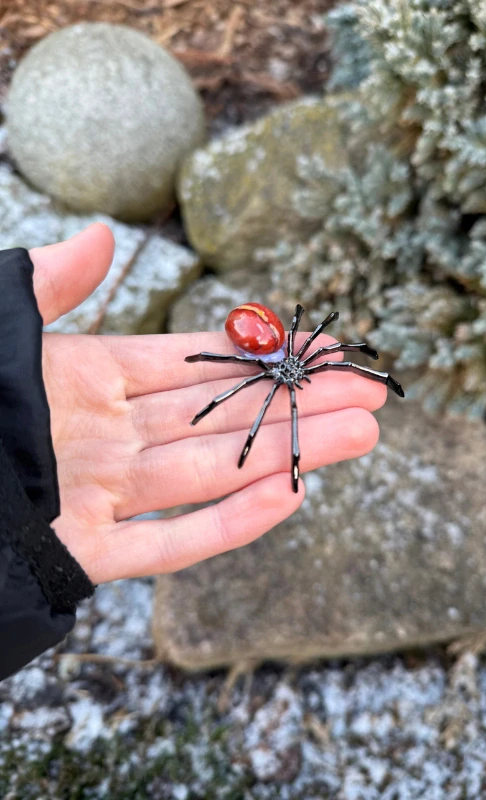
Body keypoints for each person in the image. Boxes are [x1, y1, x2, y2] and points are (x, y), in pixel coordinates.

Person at [0, 223, 385, 681]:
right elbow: (246, 378)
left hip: (265, 333)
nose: (290, 380)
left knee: (288, 391)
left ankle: (366, 384)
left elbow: (310, 335)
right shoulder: (259, 369)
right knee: (260, 398)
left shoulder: (287, 361)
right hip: (252, 333)